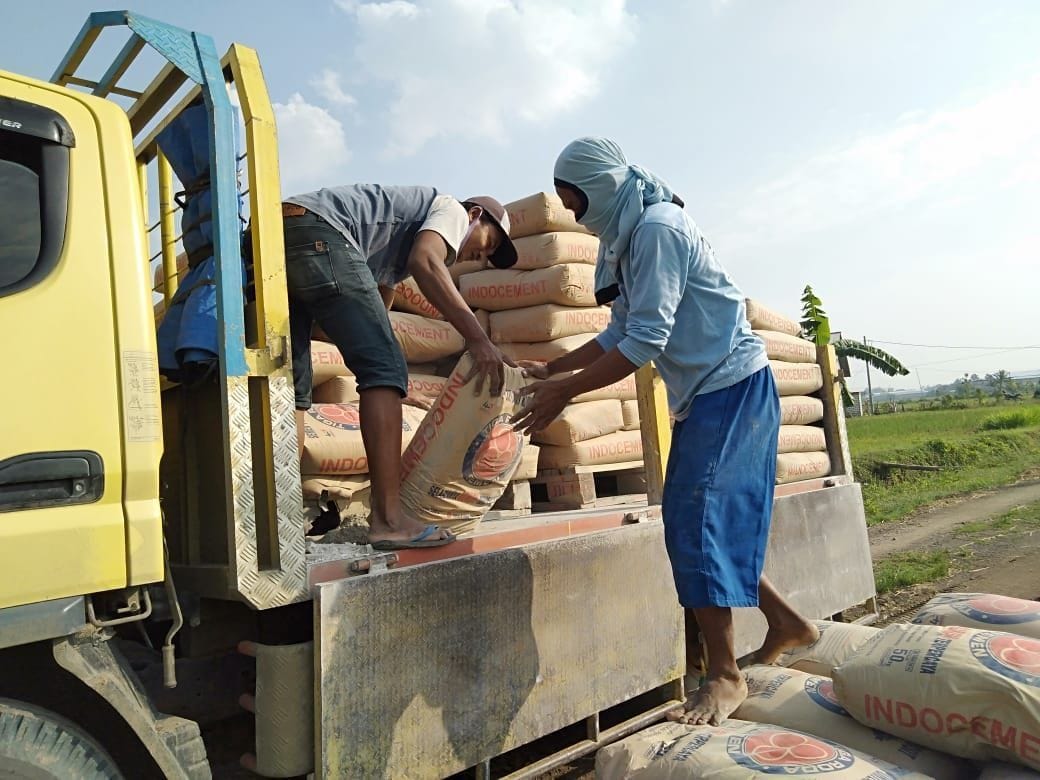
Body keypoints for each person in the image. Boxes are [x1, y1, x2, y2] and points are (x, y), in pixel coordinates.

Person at [512, 138, 819, 724]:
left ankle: (725, 676)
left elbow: (645, 341)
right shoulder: (629, 238)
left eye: (577, 200)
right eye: (568, 206)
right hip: (708, 395)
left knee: (695, 523)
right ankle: (787, 623)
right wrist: (552, 369)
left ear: (602, 185)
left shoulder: (657, 230)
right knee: (706, 523)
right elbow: (618, 332)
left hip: (731, 388)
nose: (577, 215)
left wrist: (564, 393)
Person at [283, 184, 518, 550]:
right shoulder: (451, 211)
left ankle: (279, 519)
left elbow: (362, 326)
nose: (480, 257)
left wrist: (393, 393)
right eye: (487, 245)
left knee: (291, 388)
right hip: (319, 230)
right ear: (475, 216)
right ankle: (390, 520)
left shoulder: (385, 258)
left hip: (283, 229)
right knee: (384, 368)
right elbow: (425, 261)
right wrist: (478, 339)